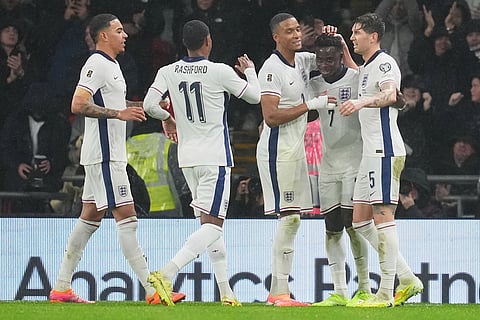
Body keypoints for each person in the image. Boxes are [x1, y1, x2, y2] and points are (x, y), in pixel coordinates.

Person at [49, 13, 181, 305]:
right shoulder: (96, 62)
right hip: (105, 155)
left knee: (88, 220)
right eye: (119, 31)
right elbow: (79, 103)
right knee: (127, 219)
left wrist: (150, 105)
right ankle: (152, 291)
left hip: (106, 154)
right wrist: (118, 114)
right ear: (103, 36)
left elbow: (116, 104)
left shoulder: (112, 65)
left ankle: (61, 287)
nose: (126, 35)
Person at [143, 19, 261, 306]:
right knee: (214, 226)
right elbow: (255, 96)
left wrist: (168, 118)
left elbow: (148, 105)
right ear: (208, 41)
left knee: (208, 225)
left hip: (187, 158)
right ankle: (167, 273)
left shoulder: (167, 71)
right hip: (215, 158)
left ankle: (226, 293)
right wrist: (250, 71)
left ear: (184, 42)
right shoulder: (219, 71)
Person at [339, 13, 423, 307]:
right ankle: (409, 279)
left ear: (373, 36)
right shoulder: (366, 67)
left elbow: (390, 94)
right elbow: (360, 74)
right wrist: (342, 46)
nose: (353, 37)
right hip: (370, 154)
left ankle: (386, 292)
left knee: (384, 218)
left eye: (356, 33)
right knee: (360, 222)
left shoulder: (386, 63)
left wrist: (362, 101)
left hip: (385, 150)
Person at [256, 13, 336, 307]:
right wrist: (310, 105)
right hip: (277, 151)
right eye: (289, 32)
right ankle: (279, 292)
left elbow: (333, 60)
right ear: (276, 37)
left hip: (294, 151)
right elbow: (270, 117)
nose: (296, 35)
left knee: (292, 219)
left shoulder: (302, 61)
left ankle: (279, 292)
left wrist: (333, 37)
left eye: (297, 30)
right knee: (289, 219)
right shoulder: (271, 69)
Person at [307, 33, 371, 307]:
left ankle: (366, 287)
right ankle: (340, 291)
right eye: (320, 59)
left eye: (330, 58)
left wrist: (345, 44)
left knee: (353, 224)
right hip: (328, 162)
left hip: (354, 161)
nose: (324, 64)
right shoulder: (314, 84)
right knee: (331, 228)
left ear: (340, 56)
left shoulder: (356, 80)